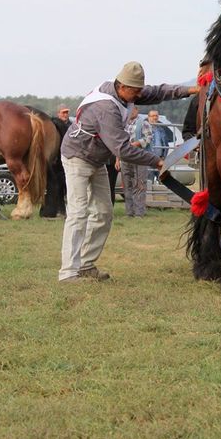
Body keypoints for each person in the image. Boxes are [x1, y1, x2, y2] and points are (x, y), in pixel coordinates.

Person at [58, 61, 199, 283]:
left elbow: (158, 92)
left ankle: (85, 265)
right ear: (122, 87)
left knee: (104, 212)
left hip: (96, 159)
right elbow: (122, 149)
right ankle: (68, 273)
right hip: (77, 158)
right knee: (78, 213)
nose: (139, 96)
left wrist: (192, 89)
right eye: (136, 92)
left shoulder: (126, 93)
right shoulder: (106, 108)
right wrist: (157, 161)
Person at [118, 107, 153, 217]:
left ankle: (139, 213)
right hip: (125, 158)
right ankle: (129, 212)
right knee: (127, 185)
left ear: (136, 110)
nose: (129, 112)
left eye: (132, 110)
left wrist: (135, 144)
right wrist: (117, 158)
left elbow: (149, 138)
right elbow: (118, 142)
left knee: (140, 185)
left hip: (139, 157)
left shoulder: (143, 123)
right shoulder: (123, 124)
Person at [41, 104, 72, 217]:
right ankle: (58, 210)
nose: (65, 114)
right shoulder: (53, 126)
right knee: (56, 187)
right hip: (56, 162)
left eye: (67, 112)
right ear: (58, 113)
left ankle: (67, 211)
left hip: (67, 161)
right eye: (63, 112)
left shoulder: (71, 126)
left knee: (68, 188)